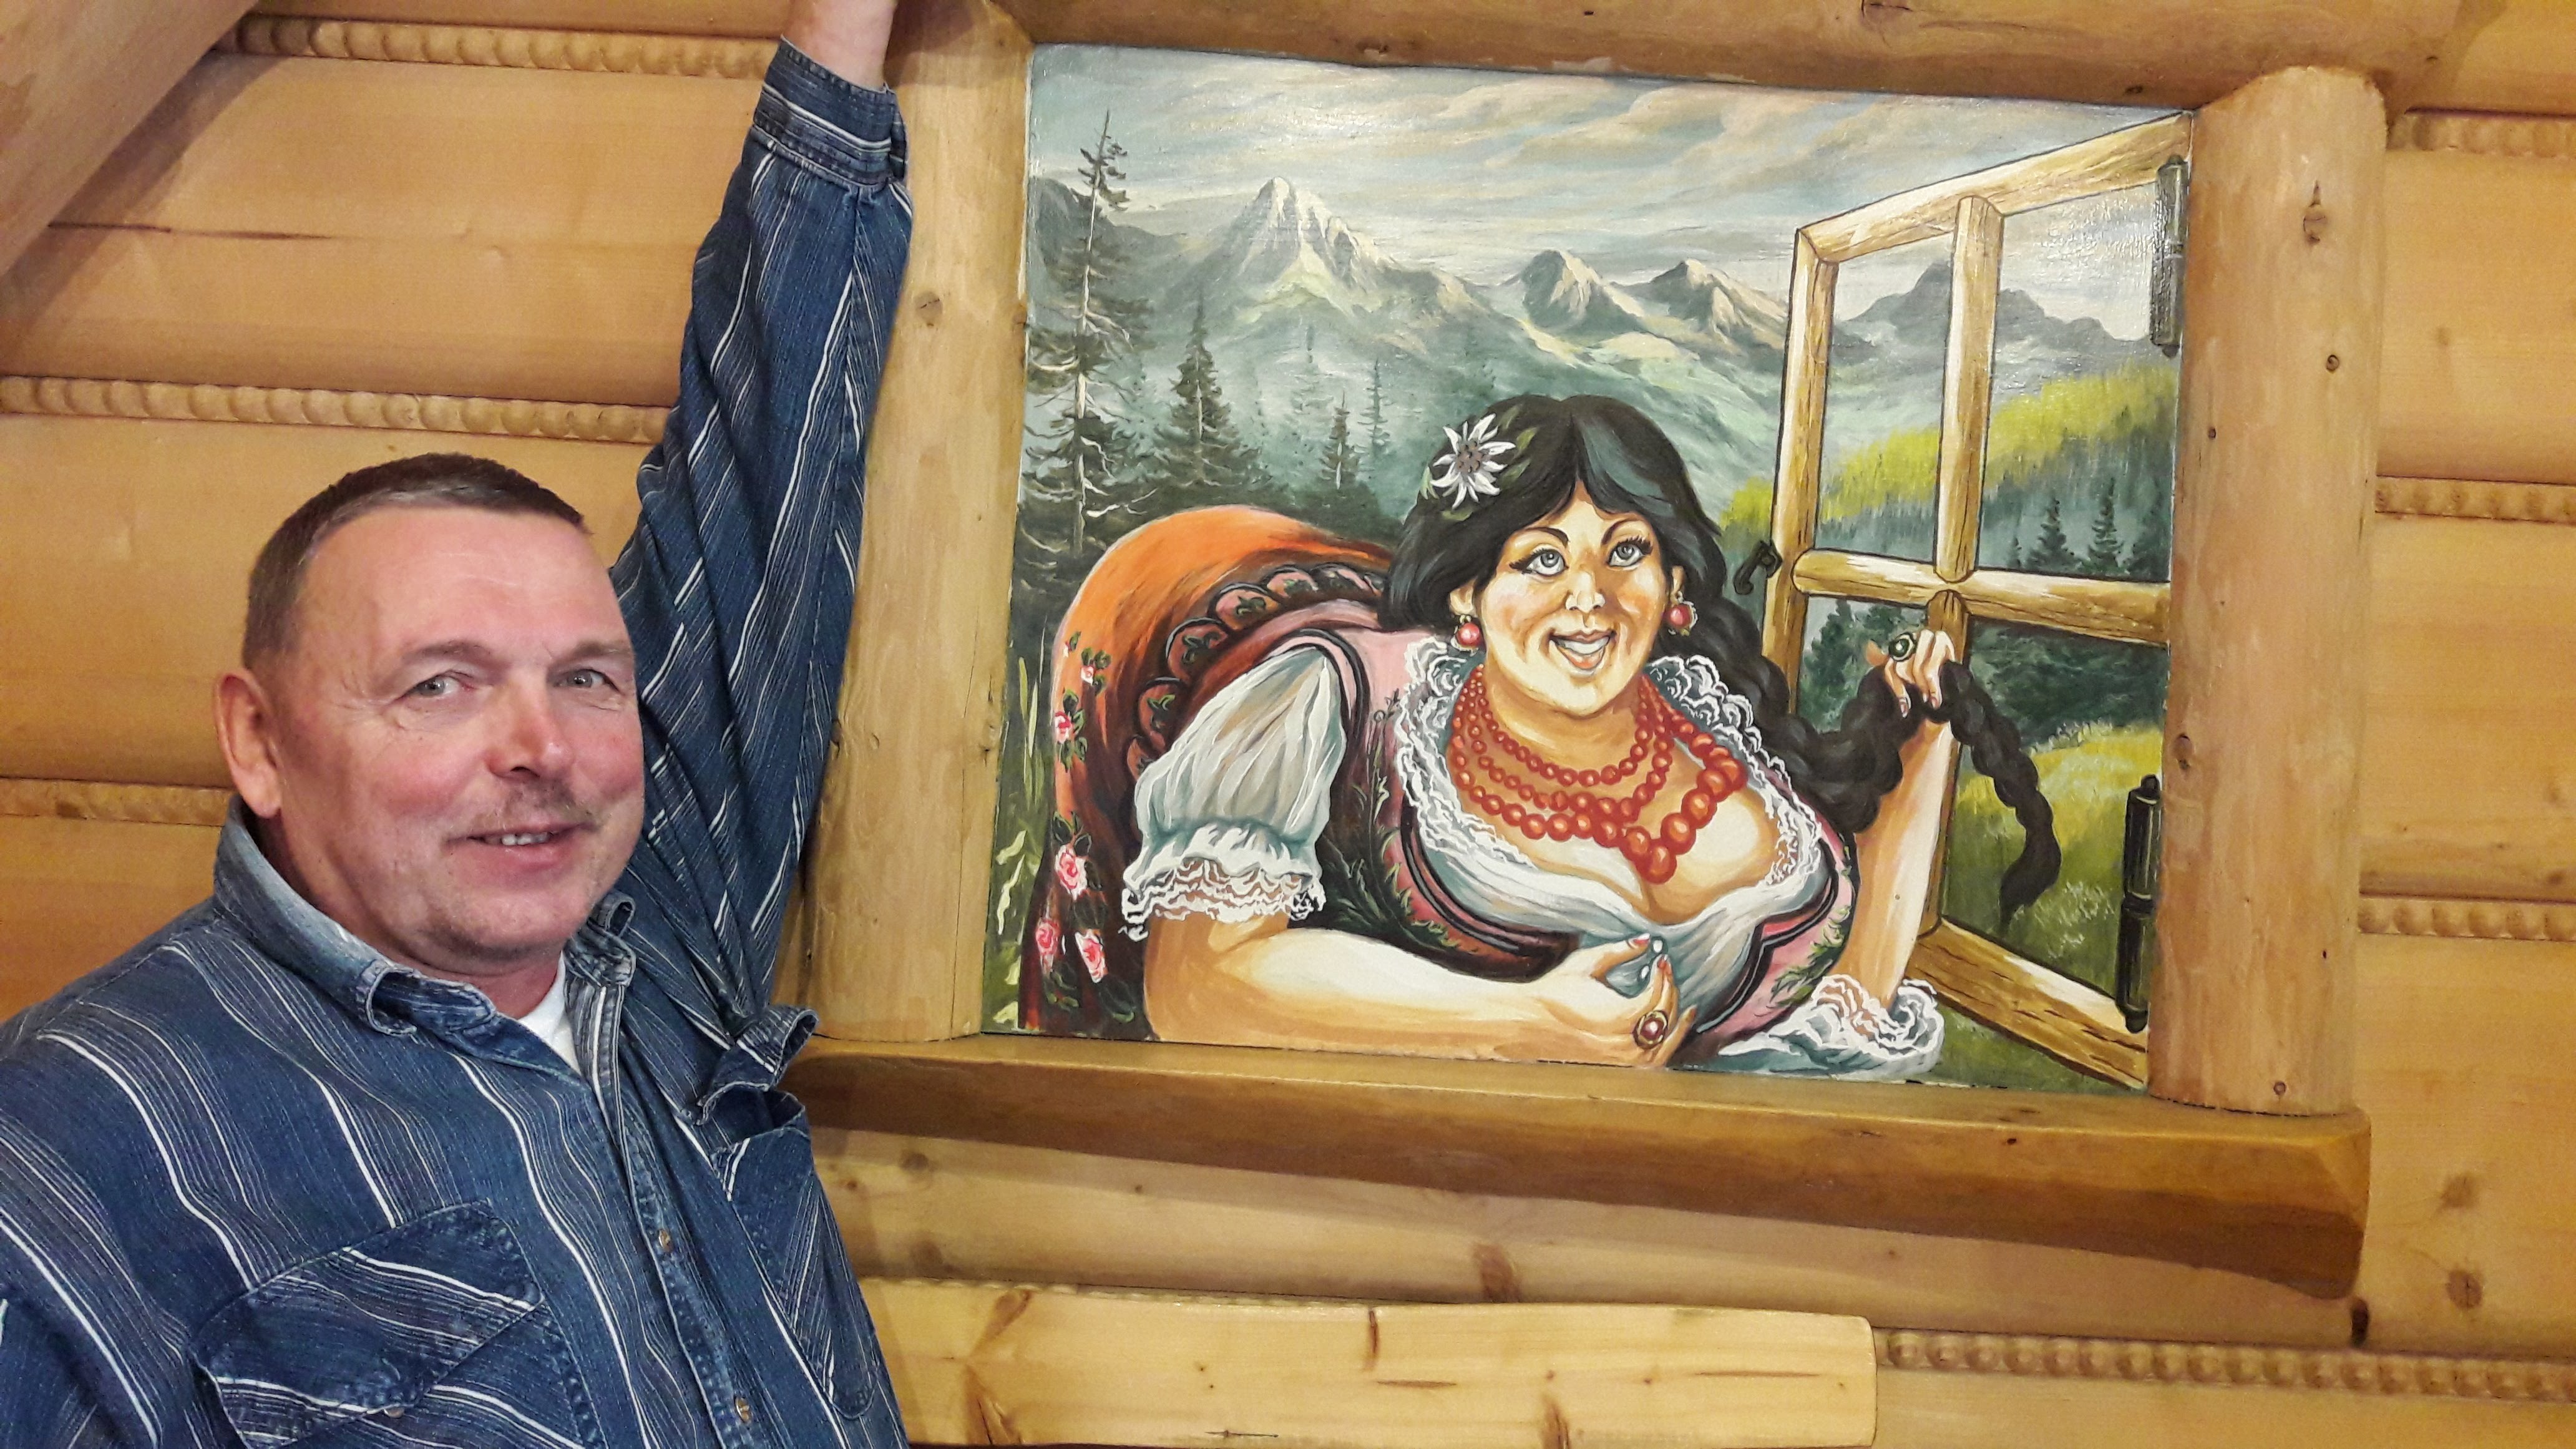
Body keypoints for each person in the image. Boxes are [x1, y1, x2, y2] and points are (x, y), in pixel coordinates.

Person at [0, 1, 912, 1443]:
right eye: (440, 684)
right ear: (258, 742)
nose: (540, 748)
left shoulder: (659, 937)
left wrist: (843, 30)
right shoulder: (67, 1146)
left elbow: (754, 500)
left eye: (587, 677)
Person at [1020, 394, 2055, 1078]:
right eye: (1541, 560)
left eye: (1626, 551)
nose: (1590, 599)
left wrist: (1924, 752)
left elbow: (1849, 1006)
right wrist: (1525, 1024)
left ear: (1675, 581)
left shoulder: (1719, 725)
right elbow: (1199, 986)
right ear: (1465, 590)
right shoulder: (1334, 699)